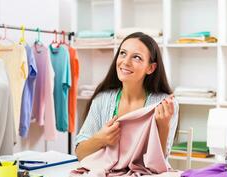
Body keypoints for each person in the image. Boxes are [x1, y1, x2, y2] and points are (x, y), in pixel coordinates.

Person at [75, 32, 178, 162]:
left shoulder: (163, 105)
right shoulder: (102, 100)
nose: (126, 62)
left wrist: (163, 127)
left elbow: (158, 165)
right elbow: (80, 153)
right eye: (123, 53)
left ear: (151, 68)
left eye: (136, 57)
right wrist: (100, 139)